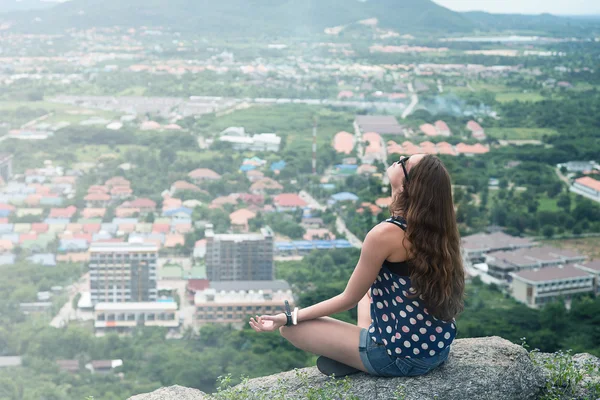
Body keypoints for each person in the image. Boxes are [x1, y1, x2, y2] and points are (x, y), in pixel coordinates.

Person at [249, 154, 465, 377]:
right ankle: (358, 350)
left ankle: (364, 357)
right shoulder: (438, 228)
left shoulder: (385, 234)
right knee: (369, 290)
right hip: (436, 349)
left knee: (291, 329)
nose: (400, 157)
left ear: (408, 184)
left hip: (401, 358)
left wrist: (288, 317)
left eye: (406, 161)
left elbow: (347, 299)